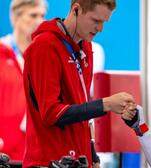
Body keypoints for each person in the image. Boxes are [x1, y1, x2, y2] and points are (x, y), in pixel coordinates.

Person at [22, 0, 136, 167]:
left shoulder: (86, 48)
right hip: (47, 161)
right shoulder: (44, 46)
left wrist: (93, 157)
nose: (100, 28)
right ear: (76, 9)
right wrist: (105, 104)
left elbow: (81, 112)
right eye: (96, 21)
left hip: (79, 161)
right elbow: (52, 113)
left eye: (104, 22)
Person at [0, 0, 47, 161]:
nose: (40, 21)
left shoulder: (46, 58)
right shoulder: (1, 53)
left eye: (42, 15)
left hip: (32, 154)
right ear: (15, 18)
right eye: (33, 15)